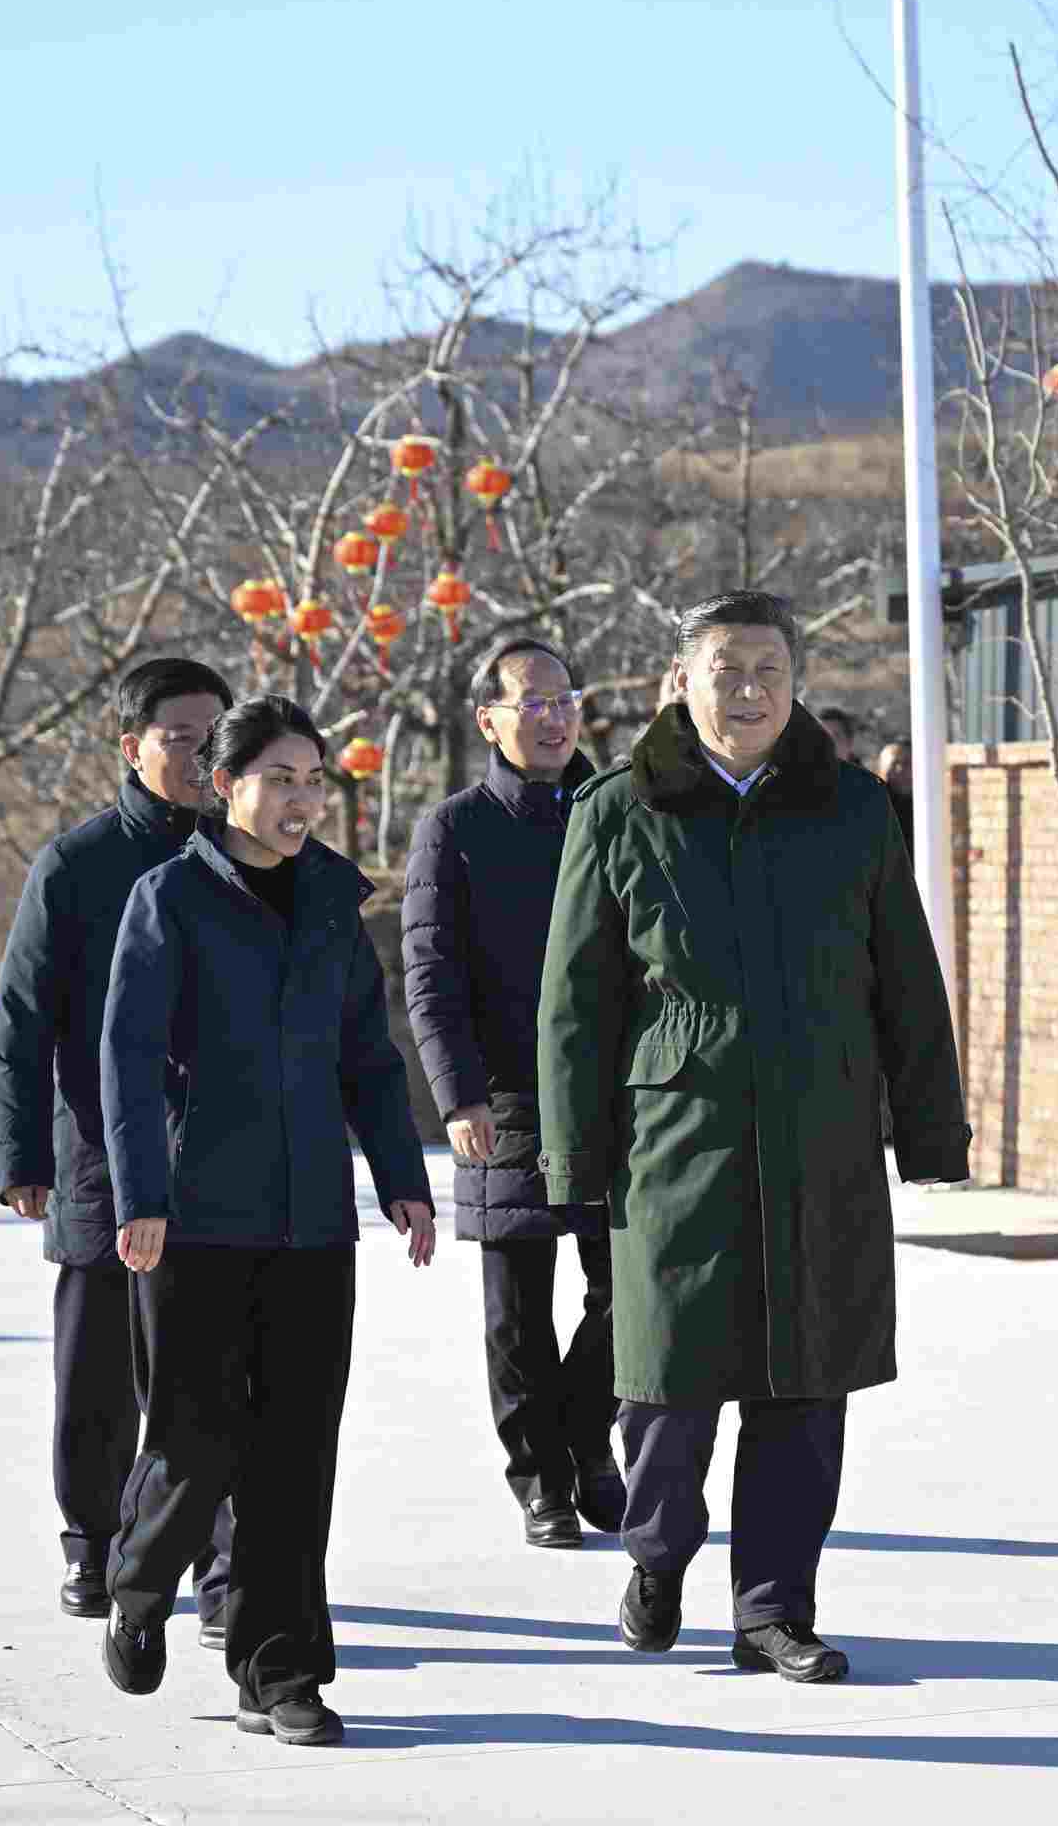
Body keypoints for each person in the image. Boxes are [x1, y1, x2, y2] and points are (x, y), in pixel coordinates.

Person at [540, 590, 969, 1684]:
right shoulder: (619, 809)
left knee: (805, 1382)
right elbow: (575, 1001)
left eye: (769, 670)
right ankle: (656, 1555)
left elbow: (906, 979)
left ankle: (775, 1608)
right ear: (684, 681)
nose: (749, 690)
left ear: (797, 684)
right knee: (666, 1378)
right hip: (674, 1134)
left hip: (823, 1128)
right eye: (726, 669)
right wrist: (572, 1154)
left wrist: (932, 1132)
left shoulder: (853, 808)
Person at [97, 695, 439, 1746]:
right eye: (279, 778)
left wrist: (400, 1176)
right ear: (225, 785)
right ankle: (140, 1579)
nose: (301, 800)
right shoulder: (168, 900)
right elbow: (128, 1059)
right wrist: (141, 1197)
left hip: (310, 1225)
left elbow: (367, 1053)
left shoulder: (333, 900)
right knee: (196, 1438)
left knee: (294, 1453)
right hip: (196, 1220)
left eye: (313, 780)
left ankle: (279, 1673)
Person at [0, 657, 238, 1639]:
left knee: (210, 1370)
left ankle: (219, 1561)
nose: (203, 756)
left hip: (217, 1157)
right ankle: (93, 1542)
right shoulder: (78, 864)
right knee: (94, 1373)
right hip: (98, 1157)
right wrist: (22, 1158)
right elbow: (20, 1021)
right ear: (132, 747)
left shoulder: (247, 854)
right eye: (182, 737)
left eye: (217, 736)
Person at [402, 637, 623, 1551]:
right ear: (488, 721)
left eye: (565, 698)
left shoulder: (618, 809)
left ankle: (587, 1437)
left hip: (618, 1091)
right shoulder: (454, 829)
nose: (555, 716)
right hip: (507, 1095)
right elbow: (429, 973)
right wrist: (459, 1095)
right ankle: (542, 1479)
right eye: (532, 702)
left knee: (631, 1291)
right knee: (518, 1309)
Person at [872, 740, 914, 846]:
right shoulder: (875, 805)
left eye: (907, 763)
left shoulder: (929, 803)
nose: (900, 769)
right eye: (894, 763)